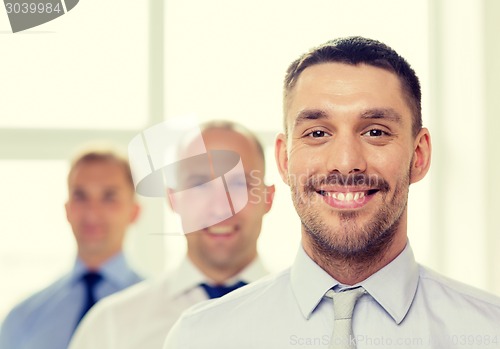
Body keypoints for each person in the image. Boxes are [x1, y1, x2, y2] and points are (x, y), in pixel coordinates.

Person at [163, 37, 500, 349]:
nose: (345, 163)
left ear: (419, 155)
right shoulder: (201, 337)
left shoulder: (489, 332)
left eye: (375, 131)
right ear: (284, 159)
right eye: (318, 132)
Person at [68, 121, 275, 349]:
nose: (220, 208)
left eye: (238, 184)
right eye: (200, 184)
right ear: (174, 199)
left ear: (268, 197)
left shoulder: (313, 319)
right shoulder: (109, 327)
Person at [0, 148, 143, 349]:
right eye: (80, 196)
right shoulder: (22, 319)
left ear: (135, 211)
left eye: (109, 196)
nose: (92, 212)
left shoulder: (166, 312)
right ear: (67, 210)